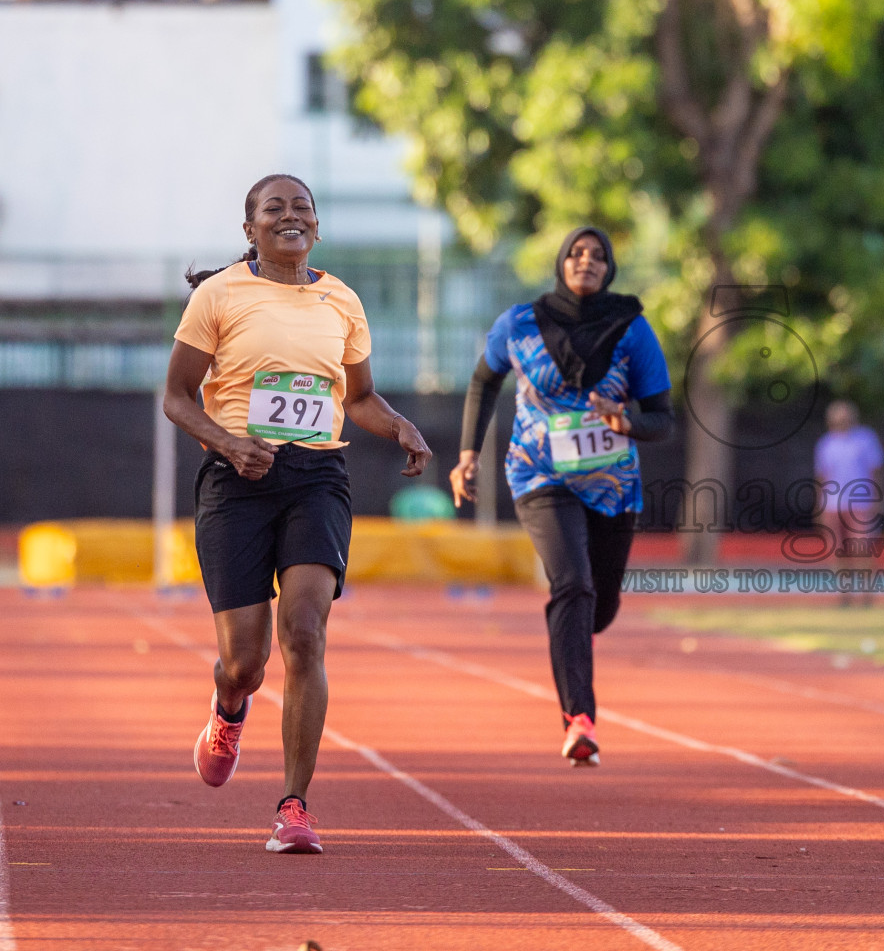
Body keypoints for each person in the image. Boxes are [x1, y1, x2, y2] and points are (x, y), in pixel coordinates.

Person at [163, 174, 432, 854]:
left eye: (301, 208)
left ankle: (294, 806)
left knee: (305, 632)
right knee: (244, 663)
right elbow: (176, 395)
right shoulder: (219, 296)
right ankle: (229, 712)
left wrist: (399, 426)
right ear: (249, 229)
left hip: (317, 476)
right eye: (273, 209)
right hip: (237, 481)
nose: (290, 216)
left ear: (316, 227)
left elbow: (360, 396)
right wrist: (227, 442)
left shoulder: (341, 298)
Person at [450, 226, 672, 766]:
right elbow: (484, 381)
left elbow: (662, 419)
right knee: (571, 583)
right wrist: (468, 455)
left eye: (598, 256)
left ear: (610, 268)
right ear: (561, 263)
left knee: (601, 604)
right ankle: (579, 719)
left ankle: (578, 641)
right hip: (539, 473)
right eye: (576, 253)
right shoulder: (520, 324)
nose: (586, 261)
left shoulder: (632, 330)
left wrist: (626, 419)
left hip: (613, 482)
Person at [814, 399, 884, 604]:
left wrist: (878, 498)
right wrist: (819, 505)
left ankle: (866, 593)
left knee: (862, 548)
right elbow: (822, 477)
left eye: (845, 417)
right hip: (833, 504)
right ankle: (844, 594)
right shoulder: (826, 443)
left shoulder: (865, 439)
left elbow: (876, 471)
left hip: (860, 504)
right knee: (838, 550)